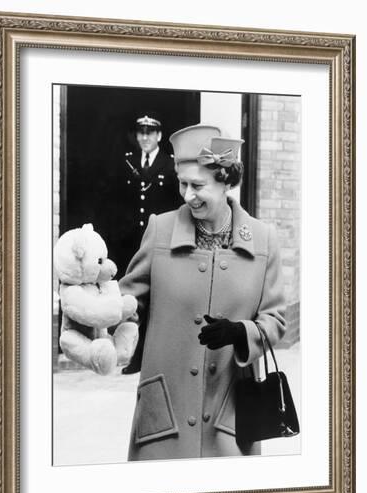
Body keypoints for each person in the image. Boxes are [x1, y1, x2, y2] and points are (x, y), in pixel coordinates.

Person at [119, 124, 286, 460]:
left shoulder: (264, 239)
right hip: (165, 412)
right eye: (182, 184)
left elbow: (275, 320)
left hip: (230, 414)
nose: (186, 194)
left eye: (197, 185)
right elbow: (127, 303)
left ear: (226, 182)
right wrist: (105, 317)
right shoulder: (160, 230)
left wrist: (242, 332)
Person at [118, 113, 182, 374]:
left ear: (159, 136)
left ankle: (150, 354)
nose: (144, 137)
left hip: (159, 242)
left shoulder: (170, 165)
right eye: (140, 132)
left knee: (156, 298)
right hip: (132, 242)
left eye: (150, 132)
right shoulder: (128, 162)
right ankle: (133, 355)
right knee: (132, 299)